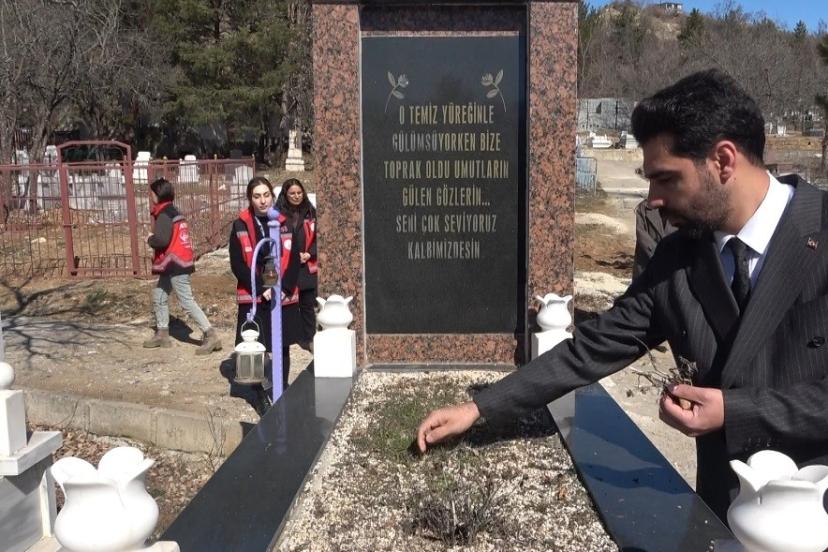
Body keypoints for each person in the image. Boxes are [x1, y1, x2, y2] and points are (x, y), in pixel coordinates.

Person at [416, 69, 828, 522]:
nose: (652, 199)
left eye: (666, 179)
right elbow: (592, 347)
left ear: (723, 161)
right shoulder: (679, 258)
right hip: (720, 514)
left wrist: (735, 412)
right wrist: (480, 407)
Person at [229, 176, 303, 413]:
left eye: (266, 195)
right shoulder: (240, 225)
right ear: (250, 199)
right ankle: (259, 393)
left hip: (282, 295)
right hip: (255, 295)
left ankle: (282, 387)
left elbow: (293, 259)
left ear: (272, 196)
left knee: (282, 345)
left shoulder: (284, 222)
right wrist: (262, 288)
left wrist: (284, 288)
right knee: (257, 346)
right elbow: (238, 264)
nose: (262, 201)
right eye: (257, 196)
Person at [143, 177, 222, 355]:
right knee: (159, 295)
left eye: (152, 193)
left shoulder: (164, 214)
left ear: (158, 194)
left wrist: (149, 239)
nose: (150, 196)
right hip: (174, 262)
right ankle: (162, 333)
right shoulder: (173, 211)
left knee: (186, 301)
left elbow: (161, 240)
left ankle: (210, 334)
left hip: (175, 263)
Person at [274, 178, 317, 353]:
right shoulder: (278, 214)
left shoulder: (310, 212)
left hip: (306, 265)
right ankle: (291, 336)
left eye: (299, 193)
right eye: (292, 193)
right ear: (285, 194)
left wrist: (310, 253)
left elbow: (320, 236)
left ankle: (310, 337)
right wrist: (292, 255)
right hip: (287, 264)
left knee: (307, 304)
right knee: (289, 304)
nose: (296, 196)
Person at [632, 199, 675, 279]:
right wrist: (658, 254)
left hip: (671, 264)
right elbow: (641, 234)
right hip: (646, 263)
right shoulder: (644, 207)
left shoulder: (679, 207)